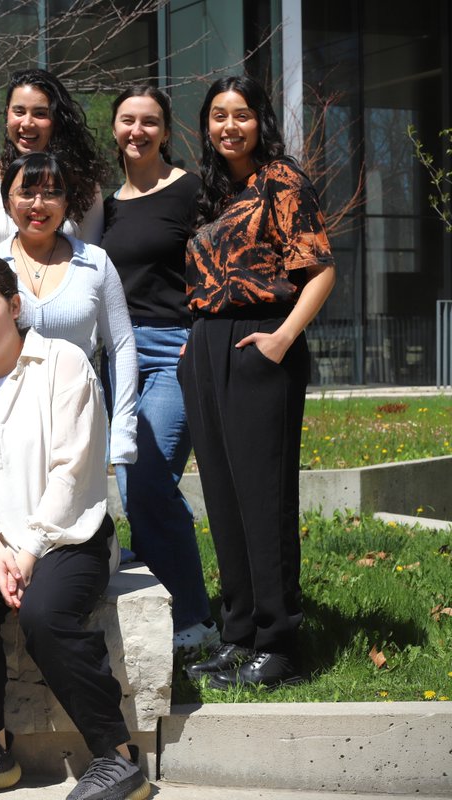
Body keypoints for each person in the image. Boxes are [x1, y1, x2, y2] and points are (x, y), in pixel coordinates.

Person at [0, 253, 151, 800]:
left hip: (67, 532)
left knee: (46, 614)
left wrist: (27, 548)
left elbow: (73, 470)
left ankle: (117, 757)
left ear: (14, 305)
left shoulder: (64, 364)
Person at [179, 76, 335, 690]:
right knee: (222, 495)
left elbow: (320, 270)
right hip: (210, 345)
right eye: (218, 116)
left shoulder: (282, 180)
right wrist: (199, 335)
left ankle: (278, 641)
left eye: (240, 115)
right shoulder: (216, 191)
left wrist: (280, 339)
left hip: (261, 342)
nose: (228, 127)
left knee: (262, 497)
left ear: (258, 120)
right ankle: (238, 632)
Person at [100, 85, 215, 656]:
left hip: (175, 348)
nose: (137, 131)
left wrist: (202, 338)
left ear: (166, 131)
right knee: (138, 484)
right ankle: (160, 604)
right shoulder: (107, 204)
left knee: (146, 481)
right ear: (115, 128)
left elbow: (217, 268)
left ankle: (195, 619)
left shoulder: (192, 191)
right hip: (118, 353)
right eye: (127, 121)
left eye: (149, 122)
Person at [0, 150, 138, 467]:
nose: (38, 204)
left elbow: (121, 344)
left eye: (51, 193)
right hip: (0, 422)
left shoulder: (95, 263)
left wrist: (124, 427)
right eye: (26, 193)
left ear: (67, 202)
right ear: (7, 203)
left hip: (78, 420)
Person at [0, 69, 110, 247]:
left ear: (57, 120)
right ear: (7, 115)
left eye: (40, 113)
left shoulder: (83, 185)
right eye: (19, 111)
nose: (27, 123)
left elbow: (92, 258)